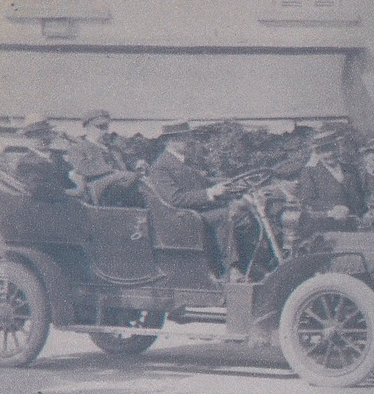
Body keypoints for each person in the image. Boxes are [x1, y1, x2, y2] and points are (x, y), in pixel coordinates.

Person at [147, 119, 242, 275]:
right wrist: (210, 193)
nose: (188, 141)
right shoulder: (160, 167)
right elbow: (175, 199)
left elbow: (204, 182)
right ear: (169, 141)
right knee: (223, 216)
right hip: (181, 217)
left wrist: (229, 184)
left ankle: (250, 261)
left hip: (196, 212)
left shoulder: (185, 161)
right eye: (182, 137)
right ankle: (232, 269)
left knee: (242, 212)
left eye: (187, 136)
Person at [65, 109, 140, 205]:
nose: (104, 131)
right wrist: (112, 171)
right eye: (100, 127)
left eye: (106, 127)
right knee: (129, 177)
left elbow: (127, 161)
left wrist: (137, 163)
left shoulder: (112, 148)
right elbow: (83, 168)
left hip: (120, 185)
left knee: (140, 180)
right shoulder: (77, 148)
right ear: (88, 127)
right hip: (97, 188)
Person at [296, 130, 363, 226]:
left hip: (354, 225)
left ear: (338, 148)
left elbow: (360, 197)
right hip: (327, 224)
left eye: (333, 148)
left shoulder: (351, 169)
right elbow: (307, 200)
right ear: (318, 153)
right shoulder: (310, 172)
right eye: (325, 150)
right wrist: (333, 208)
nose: (330, 153)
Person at [9, 116, 76, 201]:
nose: (43, 138)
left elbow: (68, 181)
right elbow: (37, 189)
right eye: (36, 135)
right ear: (28, 138)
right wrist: (67, 192)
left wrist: (78, 187)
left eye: (45, 132)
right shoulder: (25, 163)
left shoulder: (57, 158)